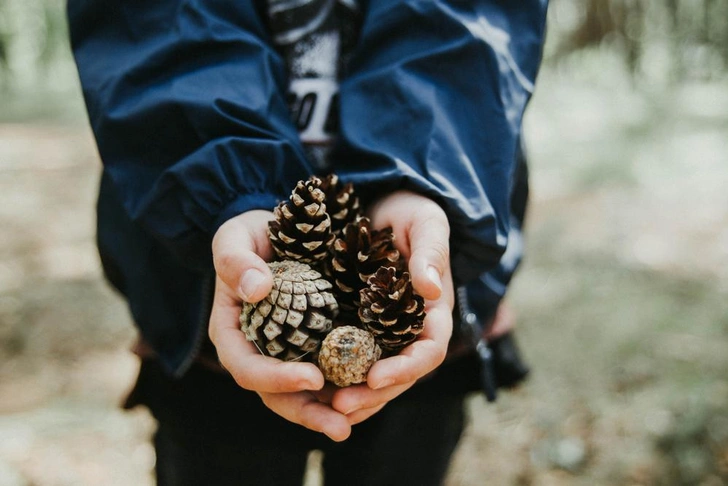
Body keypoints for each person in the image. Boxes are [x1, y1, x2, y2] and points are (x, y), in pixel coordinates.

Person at [67, 1, 548, 484]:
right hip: (201, 293)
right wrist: (228, 189)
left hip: (421, 309)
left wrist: (418, 176)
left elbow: (469, 27)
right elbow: (155, 27)